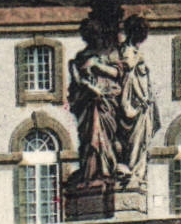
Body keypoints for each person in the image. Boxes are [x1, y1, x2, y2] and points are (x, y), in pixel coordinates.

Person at [67, 15, 123, 184]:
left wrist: (97, 66)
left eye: (95, 35)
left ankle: (107, 168)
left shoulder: (110, 54)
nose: (93, 39)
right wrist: (88, 86)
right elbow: (76, 82)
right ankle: (91, 172)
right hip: (88, 102)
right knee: (89, 137)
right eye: (89, 36)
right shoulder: (81, 56)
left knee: (106, 135)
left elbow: (118, 73)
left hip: (107, 100)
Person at [116, 14, 159, 188]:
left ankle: (137, 175)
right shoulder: (127, 52)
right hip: (134, 104)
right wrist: (141, 99)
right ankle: (133, 173)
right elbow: (129, 74)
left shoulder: (133, 51)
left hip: (142, 105)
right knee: (135, 142)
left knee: (141, 143)